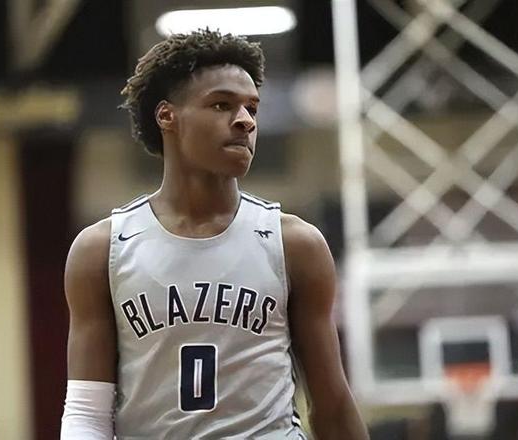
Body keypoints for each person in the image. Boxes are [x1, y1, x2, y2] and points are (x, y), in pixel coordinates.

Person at [61, 29, 368, 439]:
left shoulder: (295, 244)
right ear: (167, 116)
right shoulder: (102, 250)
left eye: (251, 108)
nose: (245, 120)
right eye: (222, 104)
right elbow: (87, 413)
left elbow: (332, 405)